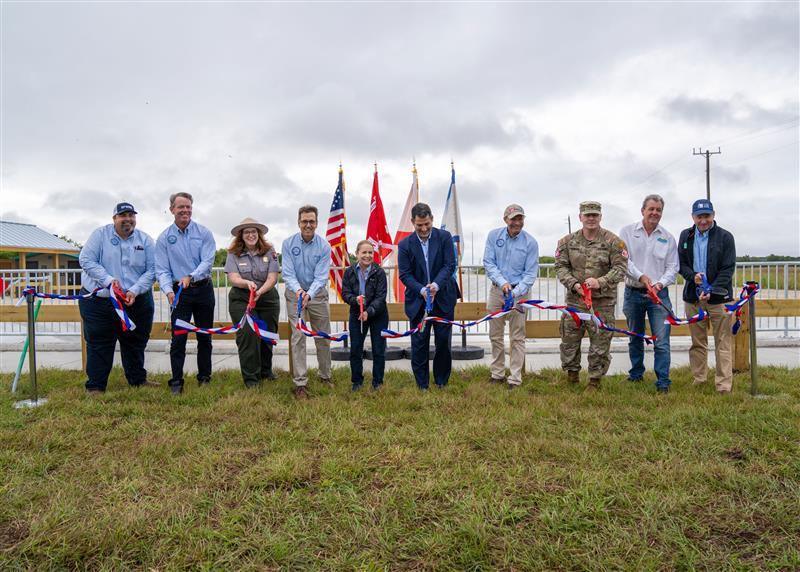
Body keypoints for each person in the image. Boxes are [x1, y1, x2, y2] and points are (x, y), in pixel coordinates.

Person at [78, 202, 157, 393]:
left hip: (135, 300)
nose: (128, 219)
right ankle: (96, 386)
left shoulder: (145, 240)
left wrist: (135, 290)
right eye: (123, 215)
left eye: (131, 215)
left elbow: (153, 269)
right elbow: (86, 260)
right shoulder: (100, 235)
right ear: (114, 219)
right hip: (100, 302)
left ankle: (137, 380)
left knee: (136, 341)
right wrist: (108, 281)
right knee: (99, 342)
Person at [555, 201, 628, 389]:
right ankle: (572, 377)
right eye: (587, 215)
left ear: (600, 217)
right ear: (580, 217)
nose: (591, 218)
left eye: (595, 215)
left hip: (602, 303)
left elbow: (620, 268)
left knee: (600, 343)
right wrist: (574, 284)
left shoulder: (614, 242)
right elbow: (561, 267)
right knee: (570, 341)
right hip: (575, 302)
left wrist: (600, 282)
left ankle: (594, 381)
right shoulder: (566, 242)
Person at [155, 192, 216, 395]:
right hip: (180, 294)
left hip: (203, 289)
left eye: (188, 207)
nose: (185, 211)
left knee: (204, 336)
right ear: (172, 209)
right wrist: (167, 290)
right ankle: (176, 382)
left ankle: (205, 378)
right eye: (181, 207)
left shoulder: (204, 233)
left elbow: (207, 261)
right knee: (178, 338)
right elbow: (162, 269)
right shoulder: (164, 238)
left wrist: (191, 275)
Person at [618, 194, 679, 393]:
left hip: (659, 296)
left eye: (658, 210)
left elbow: (672, 267)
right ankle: (636, 374)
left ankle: (663, 381)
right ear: (642, 210)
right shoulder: (626, 232)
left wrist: (659, 284)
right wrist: (642, 277)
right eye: (651, 209)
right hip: (633, 292)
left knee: (661, 340)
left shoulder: (668, 238)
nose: (654, 213)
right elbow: (624, 262)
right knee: (635, 336)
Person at [397, 202, 459, 389]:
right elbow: (405, 274)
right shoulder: (405, 244)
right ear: (412, 223)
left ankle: (441, 381)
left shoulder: (445, 237)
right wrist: (422, 290)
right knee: (419, 343)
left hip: (443, 299)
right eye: (419, 225)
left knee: (443, 343)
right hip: (418, 301)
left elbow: (450, 265)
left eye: (427, 224)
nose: (424, 229)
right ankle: (422, 384)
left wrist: (436, 285)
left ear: (432, 219)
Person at [678, 199, 737, 393]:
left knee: (723, 342)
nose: (703, 220)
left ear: (713, 215)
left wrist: (712, 288)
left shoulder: (725, 237)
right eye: (699, 216)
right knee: (698, 342)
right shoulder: (686, 236)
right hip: (693, 299)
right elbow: (682, 264)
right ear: (693, 217)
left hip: (720, 299)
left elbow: (728, 268)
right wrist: (691, 277)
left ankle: (723, 385)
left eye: (707, 216)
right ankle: (699, 379)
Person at [482, 204, 539, 389]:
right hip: (497, 291)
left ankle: (515, 378)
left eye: (520, 218)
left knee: (517, 337)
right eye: (513, 218)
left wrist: (514, 291)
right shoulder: (493, 236)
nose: (517, 222)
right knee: (495, 335)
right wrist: (502, 282)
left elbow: (530, 274)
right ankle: (497, 373)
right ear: (505, 219)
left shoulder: (531, 242)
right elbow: (489, 262)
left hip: (520, 294)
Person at [282, 205, 332, 399]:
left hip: (317, 295)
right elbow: (287, 272)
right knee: (298, 338)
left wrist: (309, 294)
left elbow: (321, 277)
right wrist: (300, 291)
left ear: (317, 223)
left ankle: (325, 376)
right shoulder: (288, 244)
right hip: (295, 295)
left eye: (312, 221)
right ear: (298, 222)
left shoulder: (324, 246)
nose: (308, 225)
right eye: (304, 221)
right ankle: (300, 383)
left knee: (323, 337)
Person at [224, 218, 281, 388]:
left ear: (259, 234)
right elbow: (233, 277)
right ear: (241, 235)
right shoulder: (233, 253)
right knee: (247, 335)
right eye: (247, 232)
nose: (251, 235)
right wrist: (246, 284)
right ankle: (251, 379)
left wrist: (260, 291)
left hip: (266, 297)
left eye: (254, 232)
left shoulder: (269, 251)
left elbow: (272, 277)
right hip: (242, 298)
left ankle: (265, 371)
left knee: (267, 335)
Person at [341, 240, 389, 391]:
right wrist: (354, 300)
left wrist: (369, 311)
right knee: (355, 349)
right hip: (357, 314)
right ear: (357, 254)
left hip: (378, 315)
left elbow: (381, 297)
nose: (367, 256)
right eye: (364, 252)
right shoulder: (349, 272)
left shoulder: (379, 272)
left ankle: (378, 382)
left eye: (370, 253)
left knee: (378, 349)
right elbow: (345, 293)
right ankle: (357, 381)